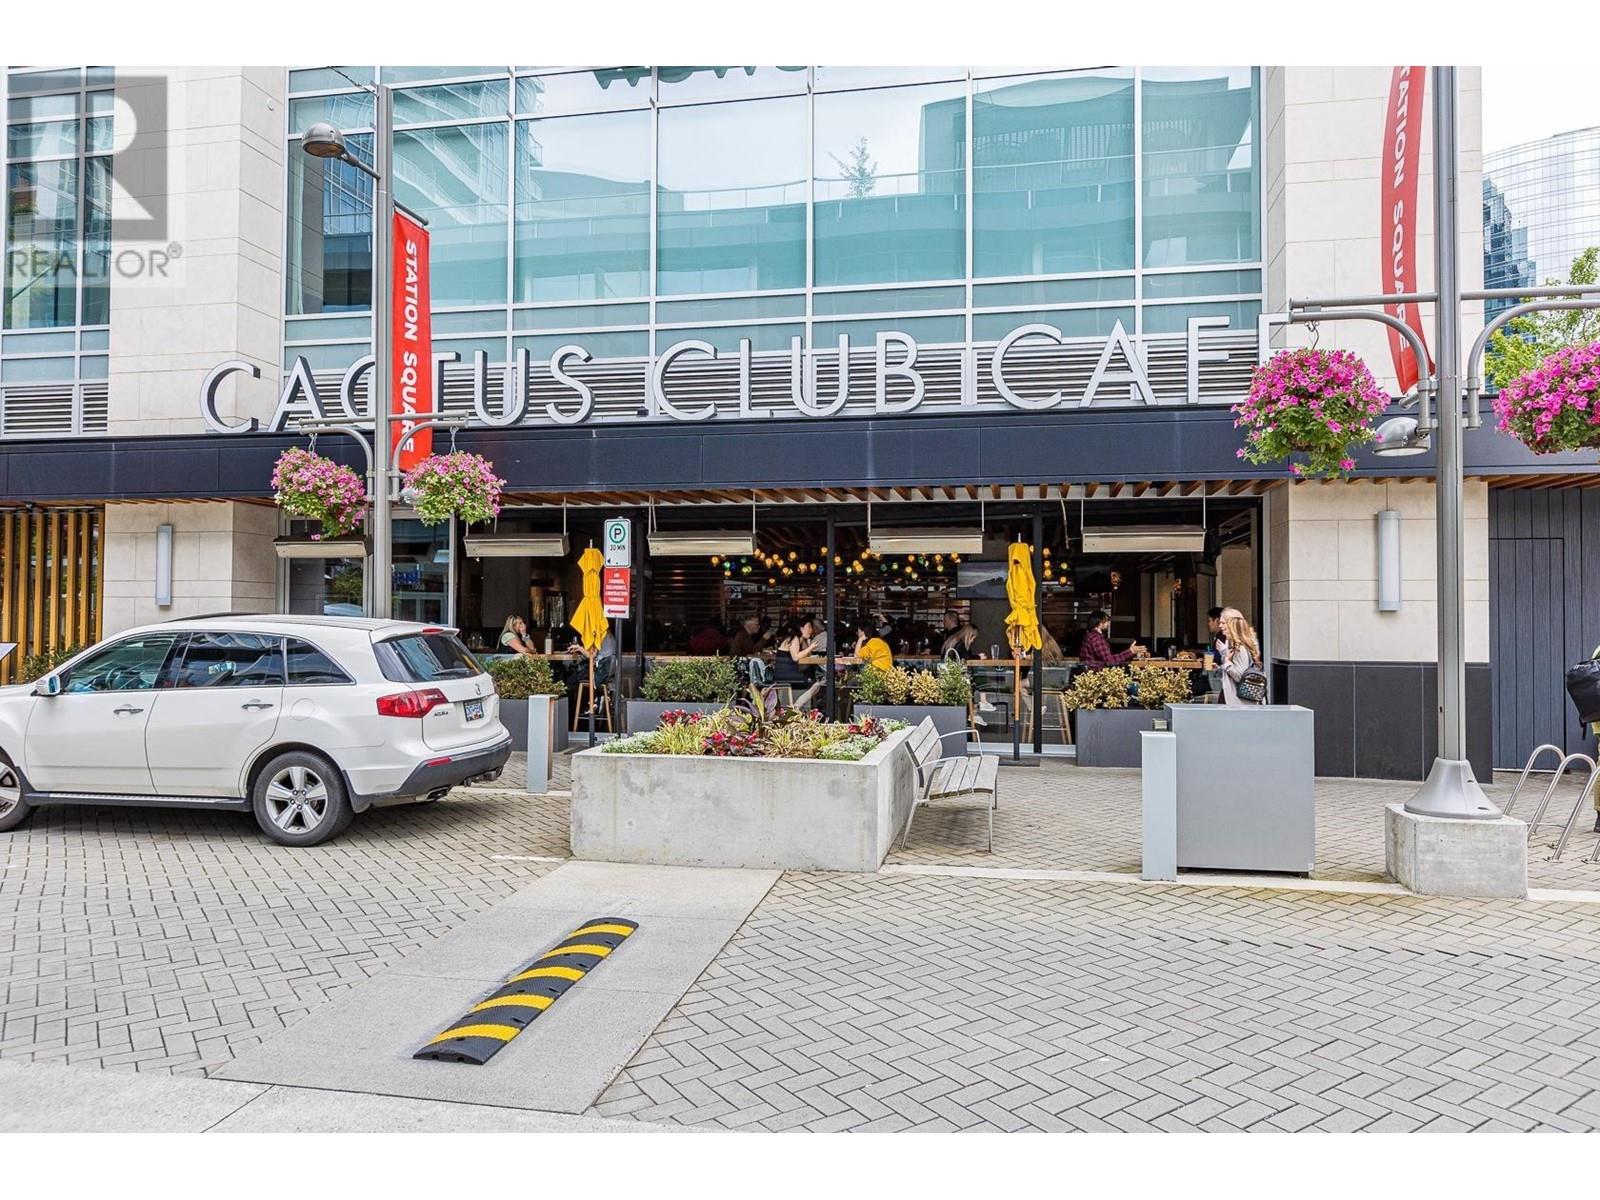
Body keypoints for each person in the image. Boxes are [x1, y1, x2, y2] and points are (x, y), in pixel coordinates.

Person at [1215, 607, 1264, 706]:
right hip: (1237, 701)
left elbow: (1239, 677)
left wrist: (1227, 662)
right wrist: (1219, 668)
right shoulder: (1239, 645)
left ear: (1232, 625)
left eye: (1223, 623)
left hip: (1238, 703)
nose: (1220, 626)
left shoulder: (1239, 648)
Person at [1078, 610, 1147, 669]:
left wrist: (1130, 653)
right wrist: (1130, 651)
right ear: (1100, 623)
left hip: (1089, 675)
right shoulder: (1097, 639)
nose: (1108, 624)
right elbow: (1109, 661)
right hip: (1097, 675)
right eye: (1106, 621)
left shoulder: (1089, 636)